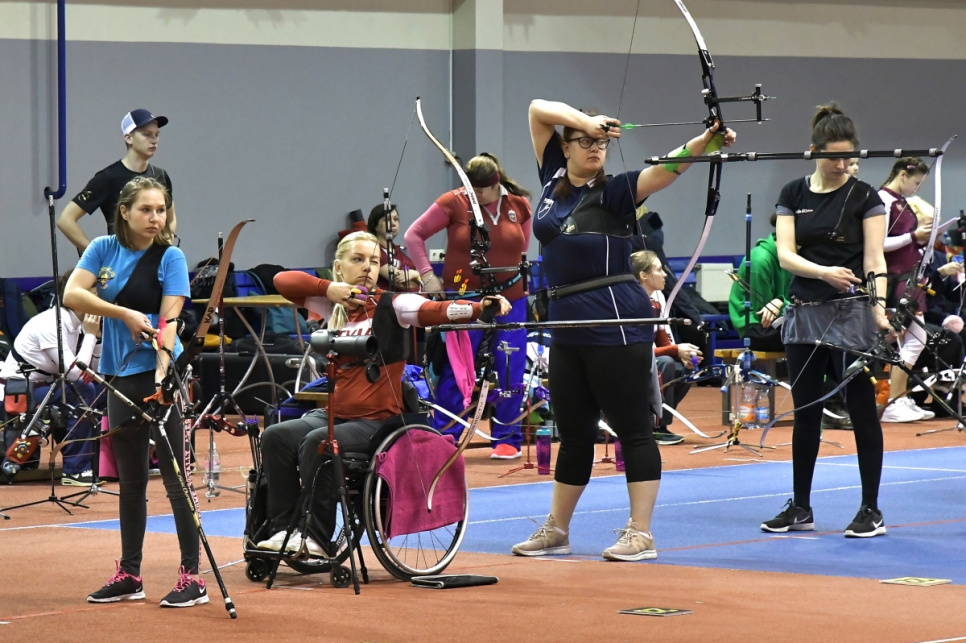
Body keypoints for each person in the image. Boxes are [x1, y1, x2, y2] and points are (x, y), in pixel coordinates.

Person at [510, 99, 735, 561]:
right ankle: (558, 529)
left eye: (601, 143)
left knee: (633, 429)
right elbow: (536, 109)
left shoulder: (615, 191)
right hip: (567, 327)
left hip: (616, 324)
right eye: (584, 142)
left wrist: (706, 141)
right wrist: (587, 122)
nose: (595, 148)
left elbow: (668, 169)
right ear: (565, 147)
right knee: (573, 433)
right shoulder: (552, 178)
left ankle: (641, 533)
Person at [255, 231, 509, 555]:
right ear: (338, 266)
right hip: (337, 415)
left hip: (378, 422)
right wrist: (329, 288)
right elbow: (281, 281)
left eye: (374, 262)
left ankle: (315, 536)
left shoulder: (392, 304)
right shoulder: (332, 305)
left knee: (319, 442)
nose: (367, 267)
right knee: (275, 436)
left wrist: (477, 308)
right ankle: (284, 531)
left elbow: (434, 309)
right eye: (357, 259)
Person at [63, 176, 205, 607]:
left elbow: (170, 322)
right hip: (118, 375)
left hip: (160, 374)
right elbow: (72, 294)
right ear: (124, 212)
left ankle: (192, 577)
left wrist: (163, 378)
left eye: (161, 210)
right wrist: (122, 312)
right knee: (130, 481)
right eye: (146, 210)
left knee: (176, 480)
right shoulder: (102, 249)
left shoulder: (171, 256)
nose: (155, 218)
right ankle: (130, 574)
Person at [760, 103, 890, 538]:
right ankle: (801, 506)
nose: (842, 165)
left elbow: (874, 260)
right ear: (814, 151)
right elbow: (785, 254)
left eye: (848, 157)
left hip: (851, 316)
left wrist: (879, 308)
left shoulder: (866, 196)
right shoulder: (793, 193)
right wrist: (823, 273)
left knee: (861, 410)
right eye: (834, 157)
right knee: (806, 413)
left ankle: (871, 509)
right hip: (803, 315)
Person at [404, 153, 532, 459]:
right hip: (465, 297)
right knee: (457, 367)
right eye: (470, 188)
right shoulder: (453, 201)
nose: (474, 194)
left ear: (496, 183)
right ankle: (445, 435)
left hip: (511, 300)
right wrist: (428, 277)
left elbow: (522, 249)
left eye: (481, 190)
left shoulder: (519, 205)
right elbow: (413, 235)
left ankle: (507, 438)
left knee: (510, 366)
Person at [0, 272, 104, 485]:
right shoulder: (50, 323)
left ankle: (98, 463)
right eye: (98, 295)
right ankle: (75, 470)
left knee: (102, 392)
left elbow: (95, 372)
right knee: (83, 390)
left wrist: (98, 337)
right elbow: (75, 374)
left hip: (47, 389)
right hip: (20, 392)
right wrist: (90, 335)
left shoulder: (75, 324)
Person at [57, 109, 176, 254]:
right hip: (122, 262)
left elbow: (170, 220)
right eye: (147, 134)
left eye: (156, 135)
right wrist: (98, 256)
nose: (154, 140)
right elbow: (65, 220)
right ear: (128, 138)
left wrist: (164, 248)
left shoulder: (160, 175)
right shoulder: (108, 177)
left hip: (154, 263)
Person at [877, 158, 936, 423]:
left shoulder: (901, 202)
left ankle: (899, 398)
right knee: (910, 339)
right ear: (902, 175)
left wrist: (922, 243)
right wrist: (913, 236)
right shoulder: (884, 200)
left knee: (916, 339)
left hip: (910, 278)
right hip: (895, 279)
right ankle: (893, 402)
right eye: (916, 182)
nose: (917, 188)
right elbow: (878, 243)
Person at [632, 250, 700, 445]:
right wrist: (674, 350)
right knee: (666, 363)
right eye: (659, 270)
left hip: (647, 357)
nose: (664, 275)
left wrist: (683, 354)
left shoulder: (657, 298)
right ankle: (653, 426)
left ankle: (660, 424)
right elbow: (639, 349)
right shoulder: (631, 303)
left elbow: (662, 340)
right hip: (630, 360)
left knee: (685, 367)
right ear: (643, 276)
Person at [367, 203, 421, 292]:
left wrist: (413, 274)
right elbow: (402, 284)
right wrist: (418, 277)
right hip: (392, 299)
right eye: (387, 220)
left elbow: (427, 279)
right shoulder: (374, 250)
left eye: (396, 219)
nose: (393, 224)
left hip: (419, 298)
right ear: (375, 226)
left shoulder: (403, 251)